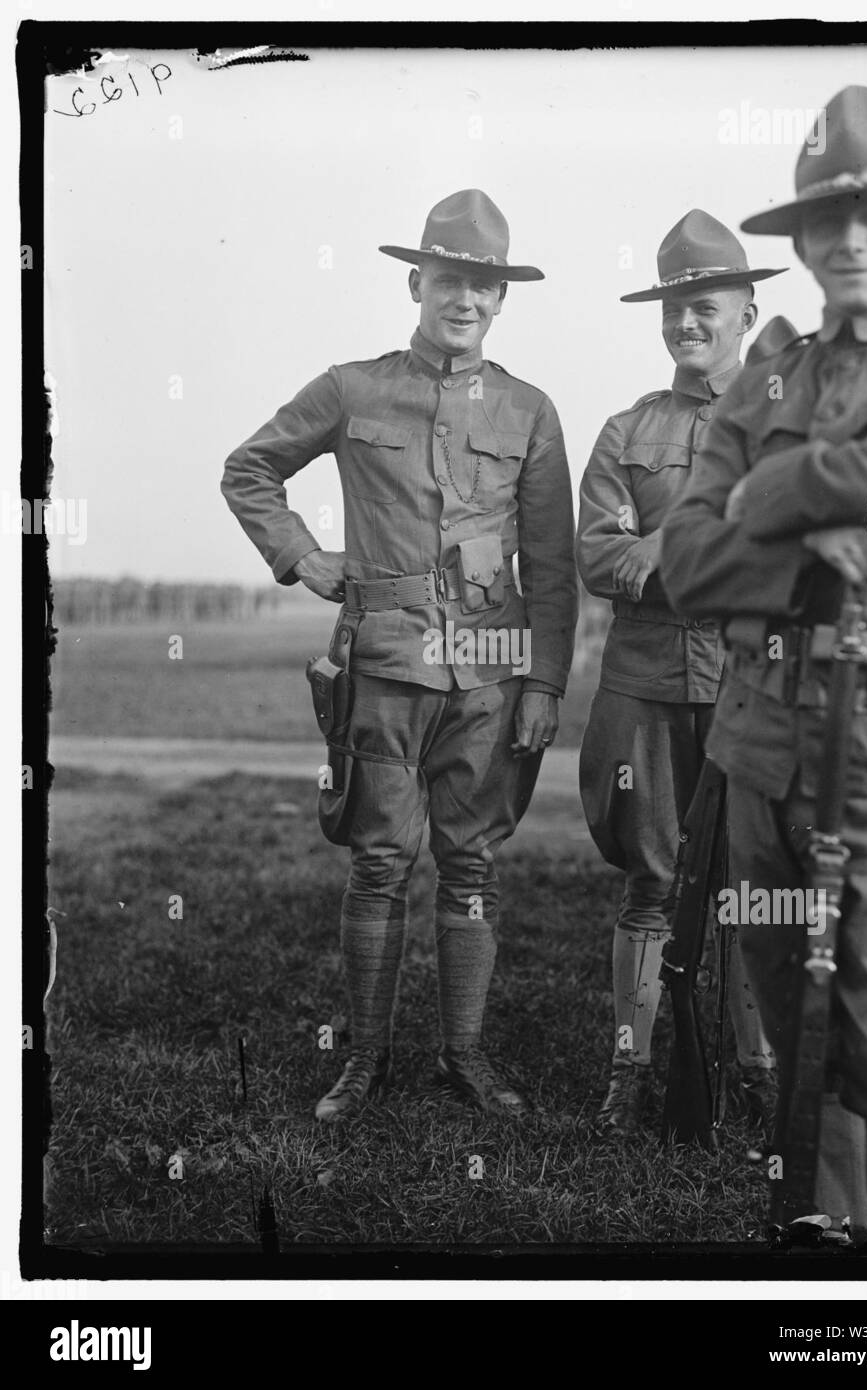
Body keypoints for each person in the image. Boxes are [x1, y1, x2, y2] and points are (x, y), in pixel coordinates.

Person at [222, 189, 578, 1122]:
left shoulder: (531, 411)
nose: (466, 299)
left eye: (485, 286)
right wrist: (301, 556)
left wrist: (545, 680)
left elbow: (551, 562)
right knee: (380, 863)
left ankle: (464, 1058)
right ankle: (365, 1063)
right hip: (383, 660)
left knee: (471, 867)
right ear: (418, 283)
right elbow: (249, 467)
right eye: (450, 279)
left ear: (502, 301)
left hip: (492, 672)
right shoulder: (351, 386)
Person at [660, 87, 867, 1236]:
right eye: (828, 220)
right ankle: (834, 1227)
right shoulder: (768, 379)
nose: (851, 239)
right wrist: (813, 540)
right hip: (760, 729)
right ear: (799, 243)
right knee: (787, 981)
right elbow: (688, 563)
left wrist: (781, 489)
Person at [576, 210, 781, 1135]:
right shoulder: (628, 431)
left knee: (749, 879)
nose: (687, 326)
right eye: (673, 313)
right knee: (649, 880)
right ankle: (629, 1069)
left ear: (745, 309)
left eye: (705, 307)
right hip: (648, 687)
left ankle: (756, 1067)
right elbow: (597, 557)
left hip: (753, 685)